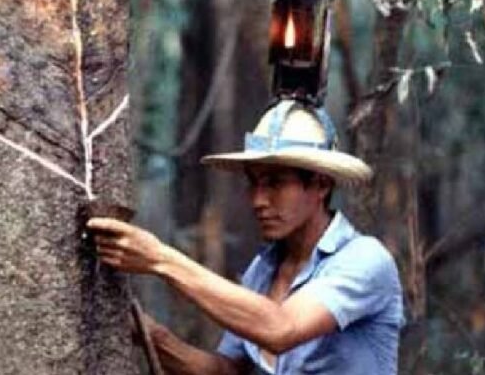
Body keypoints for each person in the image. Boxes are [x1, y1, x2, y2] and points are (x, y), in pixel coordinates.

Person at [88, 98, 404, 375]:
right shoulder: (263, 271)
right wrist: (149, 333)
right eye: (254, 183)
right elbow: (226, 372)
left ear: (321, 185)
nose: (258, 200)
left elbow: (282, 329)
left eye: (275, 183)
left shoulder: (364, 260)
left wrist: (160, 259)